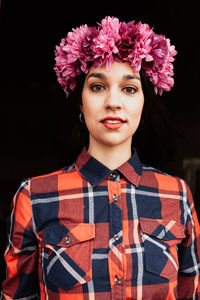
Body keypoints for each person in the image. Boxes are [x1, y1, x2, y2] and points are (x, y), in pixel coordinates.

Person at [1, 16, 200, 300]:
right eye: (97, 86)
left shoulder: (177, 195)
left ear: (144, 102)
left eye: (129, 89)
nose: (113, 102)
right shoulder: (34, 197)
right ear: (81, 101)